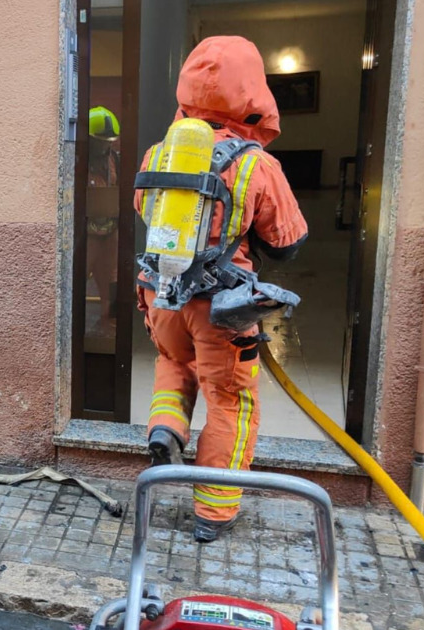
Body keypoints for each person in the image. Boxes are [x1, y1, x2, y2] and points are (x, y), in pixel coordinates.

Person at [135, 36, 308, 543]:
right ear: (254, 94)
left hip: (160, 296)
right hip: (222, 309)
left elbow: (146, 212)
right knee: (231, 400)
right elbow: (287, 243)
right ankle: (214, 511)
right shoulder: (256, 164)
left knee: (174, 364)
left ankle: (165, 431)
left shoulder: (159, 151)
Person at [87, 106, 121, 336]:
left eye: (109, 140)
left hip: (110, 229)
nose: (105, 145)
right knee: (81, 275)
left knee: (111, 279)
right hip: (86, 231)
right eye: (100, 141)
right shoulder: (78, 160)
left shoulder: (114, 159)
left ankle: (109, 320)